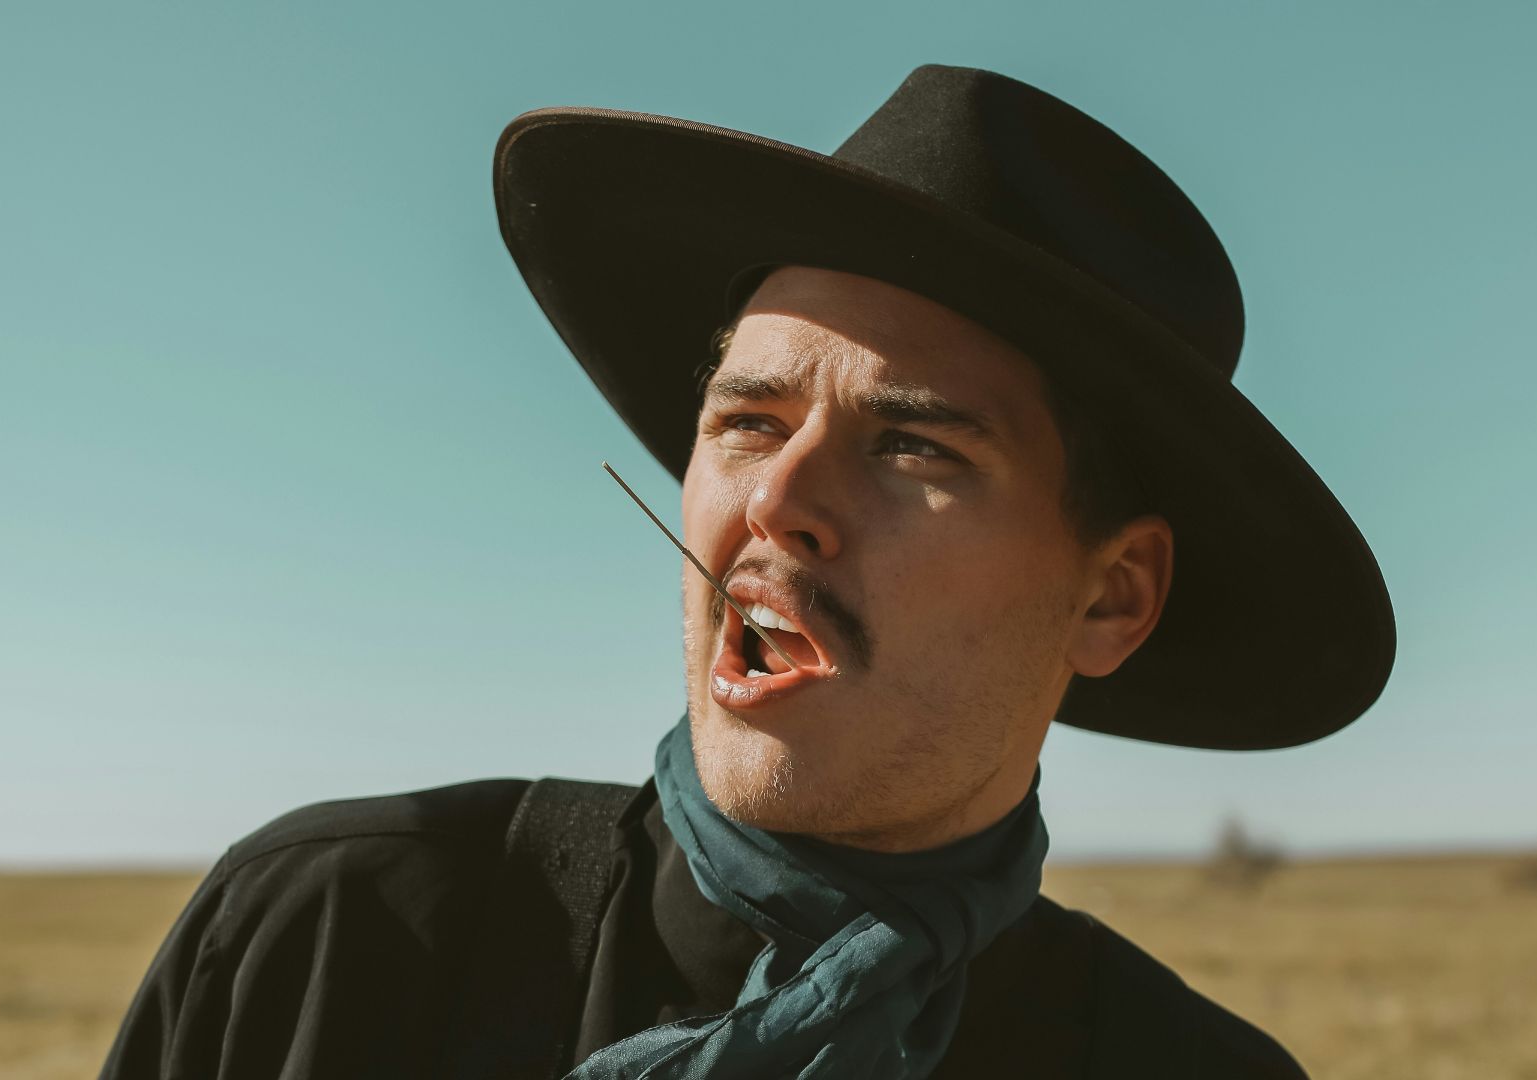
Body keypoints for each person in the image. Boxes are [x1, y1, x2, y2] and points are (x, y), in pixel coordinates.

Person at [100, 64, 1395, 1079]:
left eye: (912, 444)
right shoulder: (337, 939)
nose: (778, 502)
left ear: (1112, 597)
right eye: (748, 422)